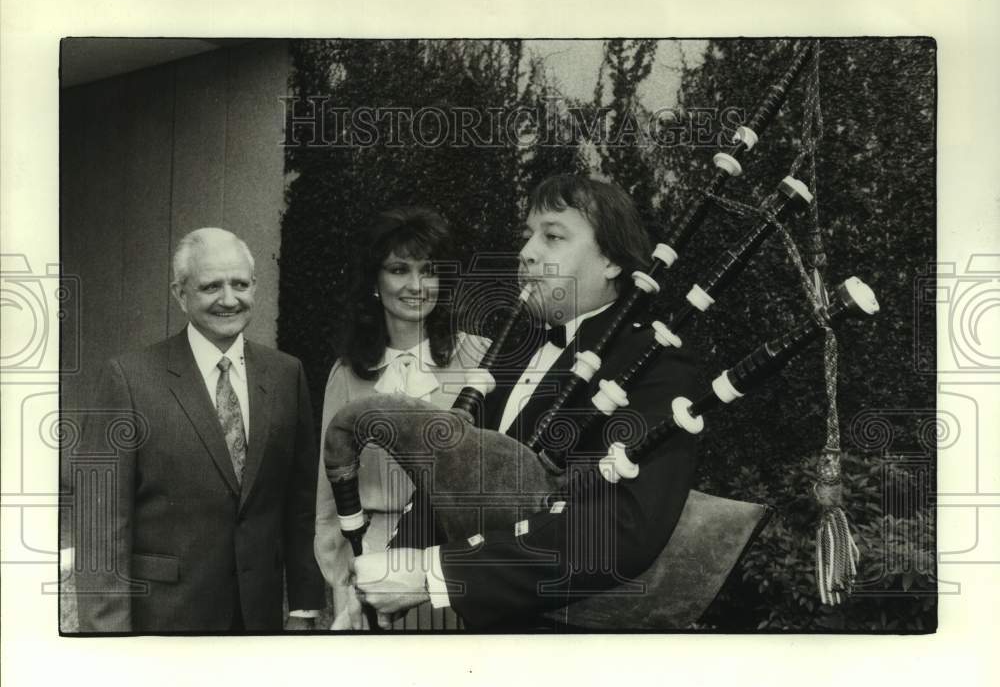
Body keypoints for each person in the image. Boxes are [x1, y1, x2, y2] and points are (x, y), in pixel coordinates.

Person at [354, 174, 703, 630]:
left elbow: (623, 531)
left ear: (613, 262)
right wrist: (390, 567)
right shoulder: (514, 355)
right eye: (528, 235)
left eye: (553, 236)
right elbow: (453, 478)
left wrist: (433, 573)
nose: (527, 252)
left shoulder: (657, 365)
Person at [72, 228, 325, 632]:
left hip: (258, 625)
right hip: (164, 623)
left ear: (255, 287)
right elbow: (100, 527)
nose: (229, 299)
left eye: (240, 284)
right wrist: (108, 642)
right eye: (211, 286)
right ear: (180, 293)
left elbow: (301, 505)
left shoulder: (285, 374)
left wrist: (304, 606)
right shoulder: (128, 379)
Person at [314, 206, 487, 630]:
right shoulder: (348, 374)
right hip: (370, 560)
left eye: (428, 271)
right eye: (398, 269)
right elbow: (327, 497)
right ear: (374, 281)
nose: (415, 285)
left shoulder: (478, 358)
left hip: (452, 563)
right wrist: (346, 583)